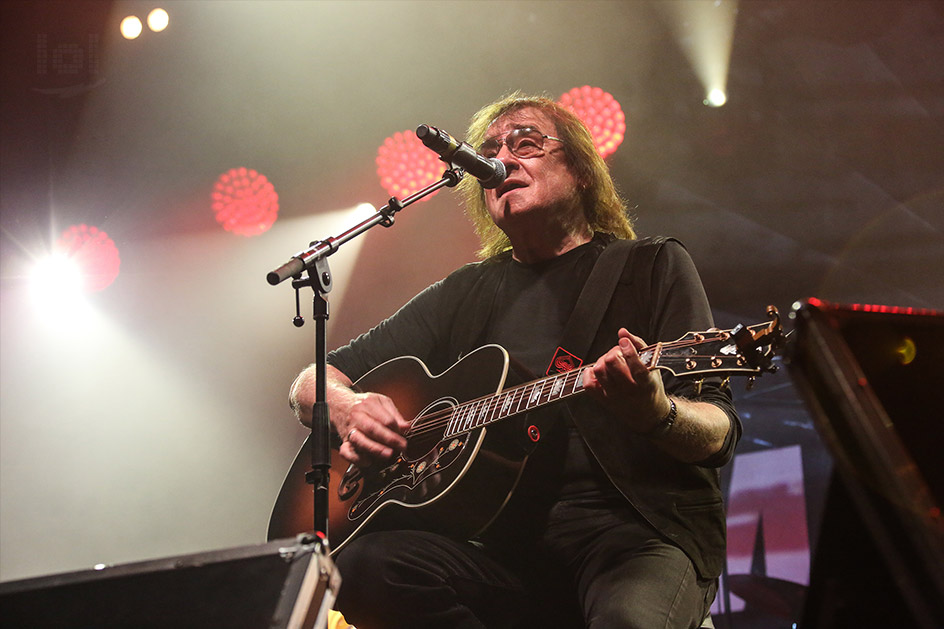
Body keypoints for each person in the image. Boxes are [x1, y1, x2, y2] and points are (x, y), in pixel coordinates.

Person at [289, 93, 739, 629]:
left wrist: (657, 413)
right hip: (500, 547)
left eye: (526, 143)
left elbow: (719, 429)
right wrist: (347, 405)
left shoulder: (651, 266)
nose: (503, 159)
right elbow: (312, 379)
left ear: (581, 173)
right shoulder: (466, 291)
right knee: (362, 568)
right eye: (490, 152)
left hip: (633, 538)